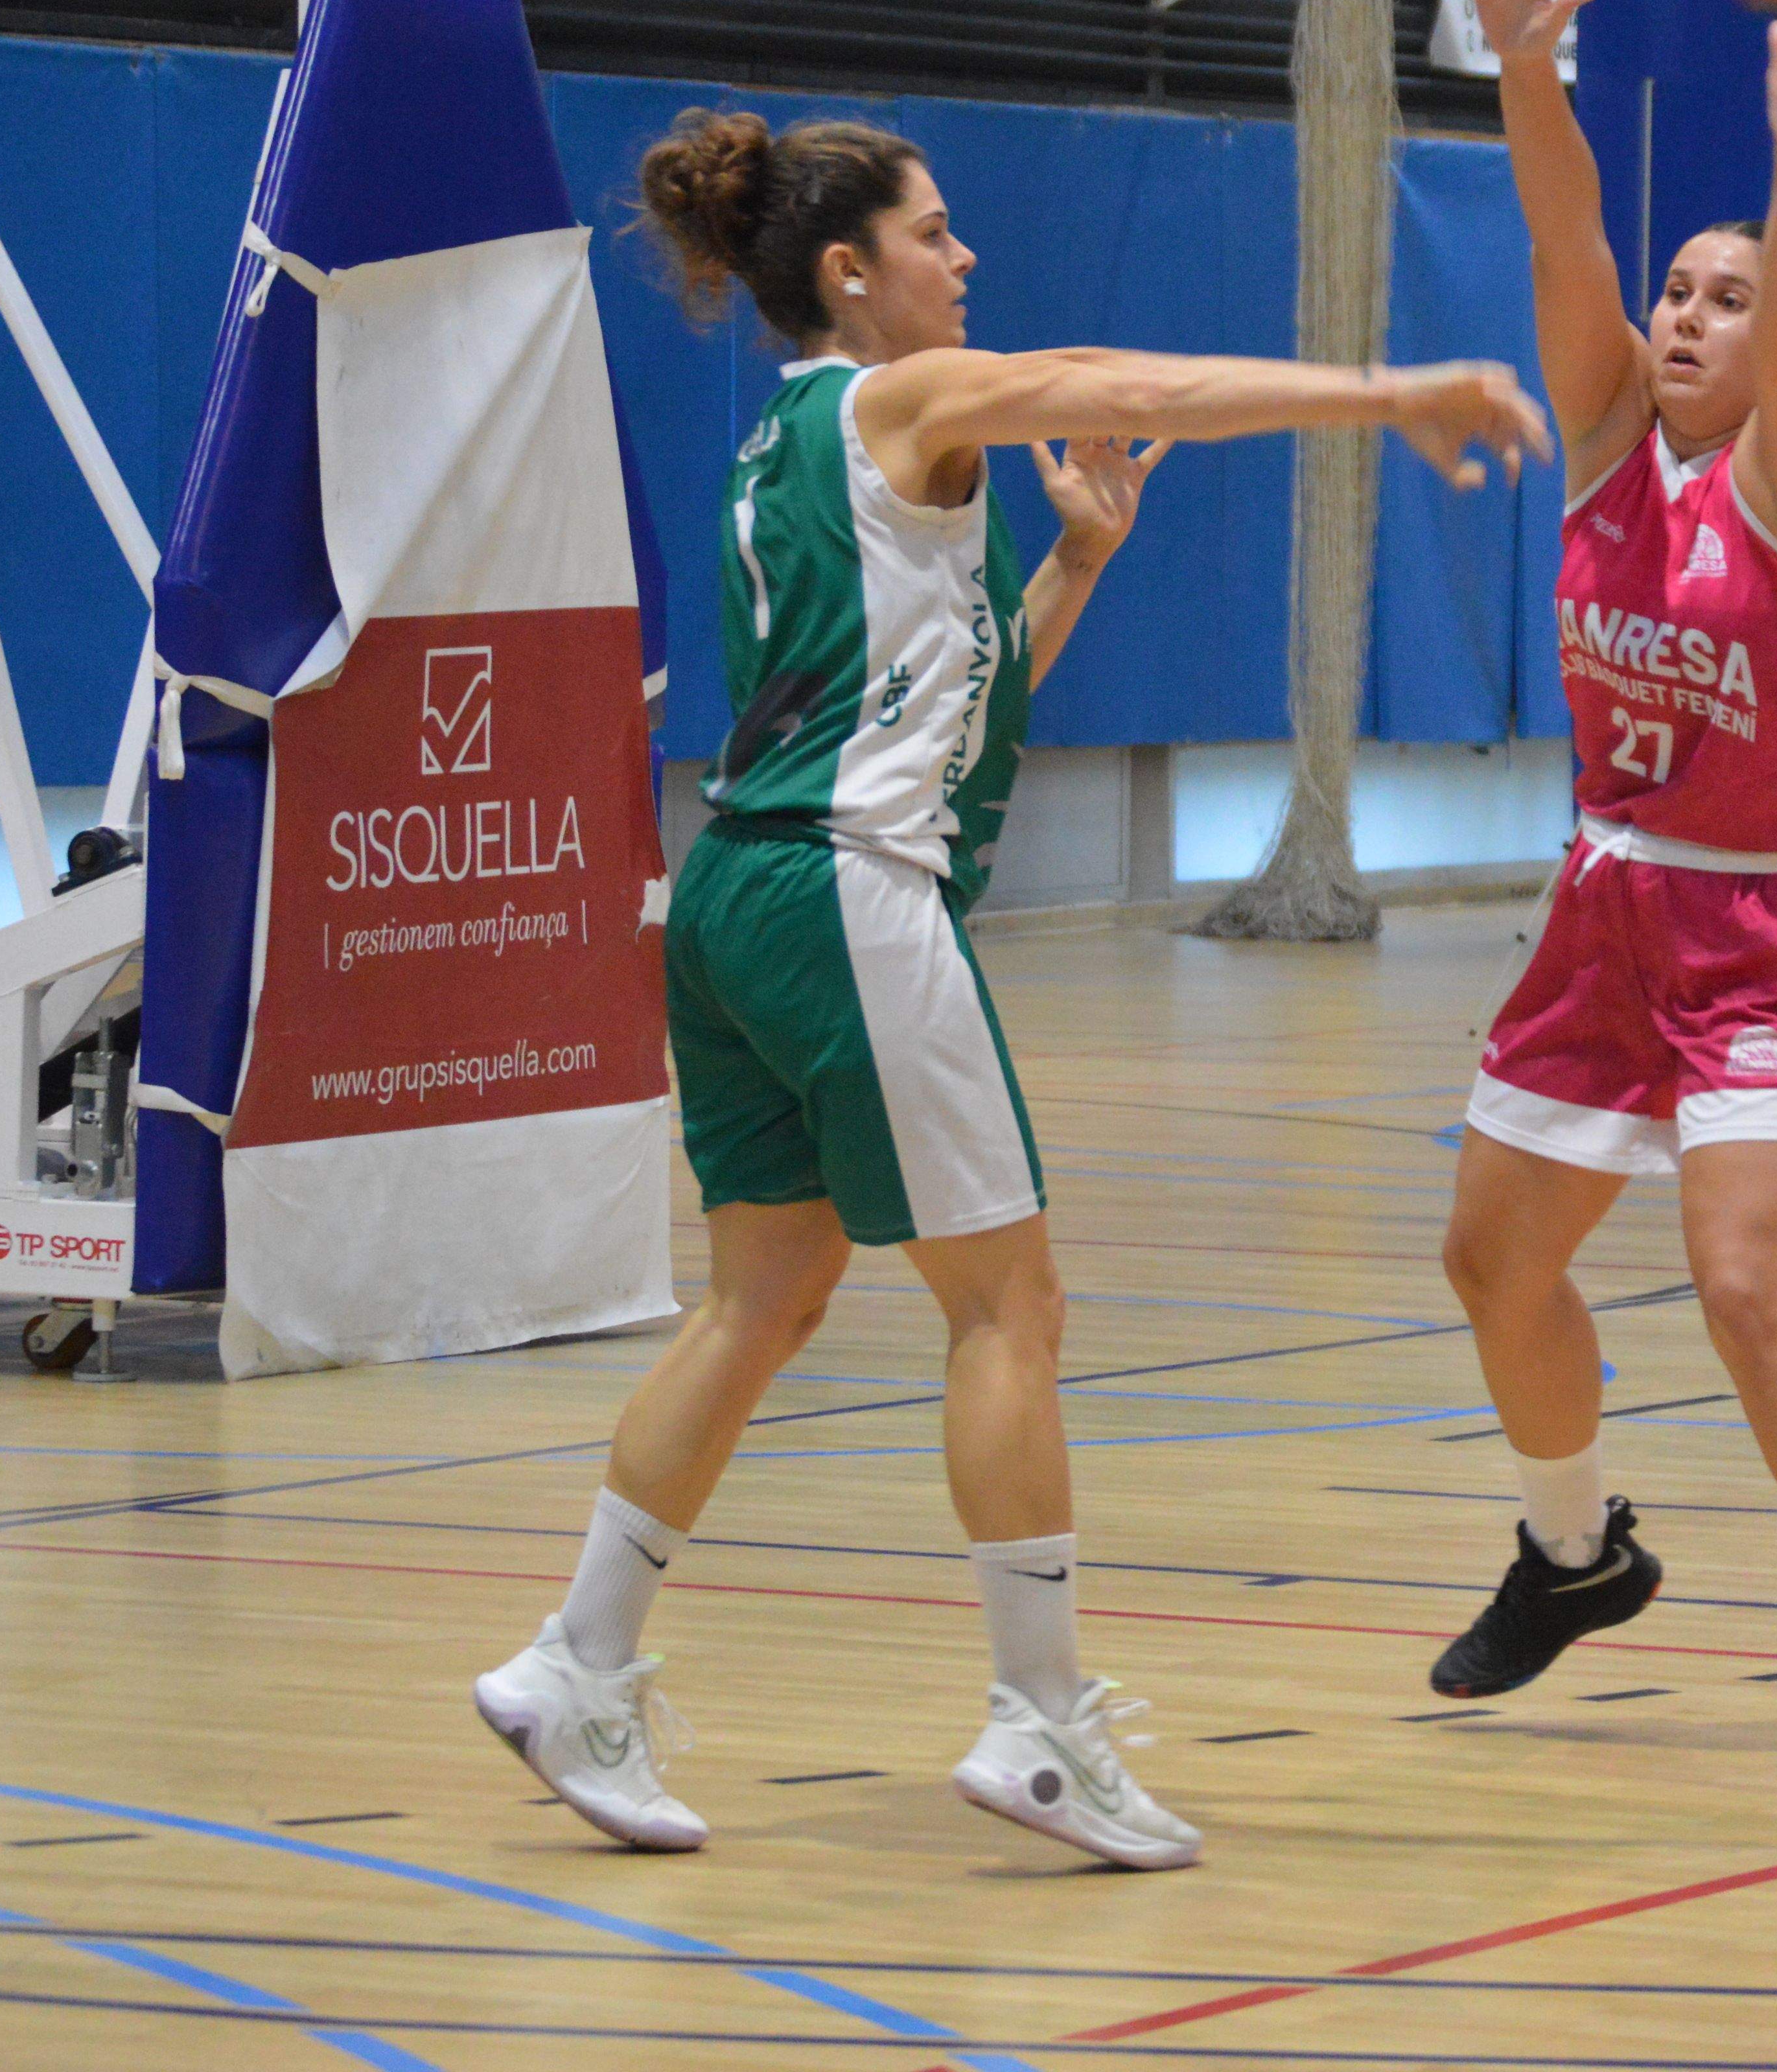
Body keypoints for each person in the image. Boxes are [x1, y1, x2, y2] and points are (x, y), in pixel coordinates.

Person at [472, 111, 1550, 1867]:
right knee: (1011, 1312)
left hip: (738, 892)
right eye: (936, 232)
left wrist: (1074, 565)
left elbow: (932, 717)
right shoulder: (899, 401)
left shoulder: (790, 447)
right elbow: (1116, 376)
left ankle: (574, 1660)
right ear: (850, 272)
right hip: (843, 900)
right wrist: (1388, 393)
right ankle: (1043, 1728)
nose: (963, 262)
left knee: (766, 1296)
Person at [1420, 0, 1777, 1826]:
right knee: (1489, 1263)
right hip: (1606, 907)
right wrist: (1513, 59)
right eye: (1682, 286)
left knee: (1746, 1285)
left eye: (1720, 294)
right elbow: (1559, 227)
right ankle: (1575, 1552)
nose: (1684, 311)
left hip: (1772, 928)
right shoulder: (1598, 441)